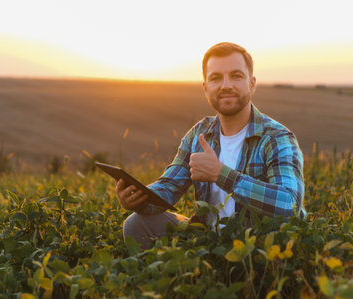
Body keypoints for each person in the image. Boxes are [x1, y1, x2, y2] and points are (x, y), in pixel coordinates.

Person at [116, 42, 305, 248]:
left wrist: (221, 174)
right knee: (136, 223)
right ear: (205, 88)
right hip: (207, 239)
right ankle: (161, 278)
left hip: (257, 247)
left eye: (236, 76)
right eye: (216, 78)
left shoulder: (277, 137)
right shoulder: (200, 134)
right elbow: (169, 186)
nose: (226, 85)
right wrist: (139, 197)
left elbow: (290, 205)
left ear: (251, 83)